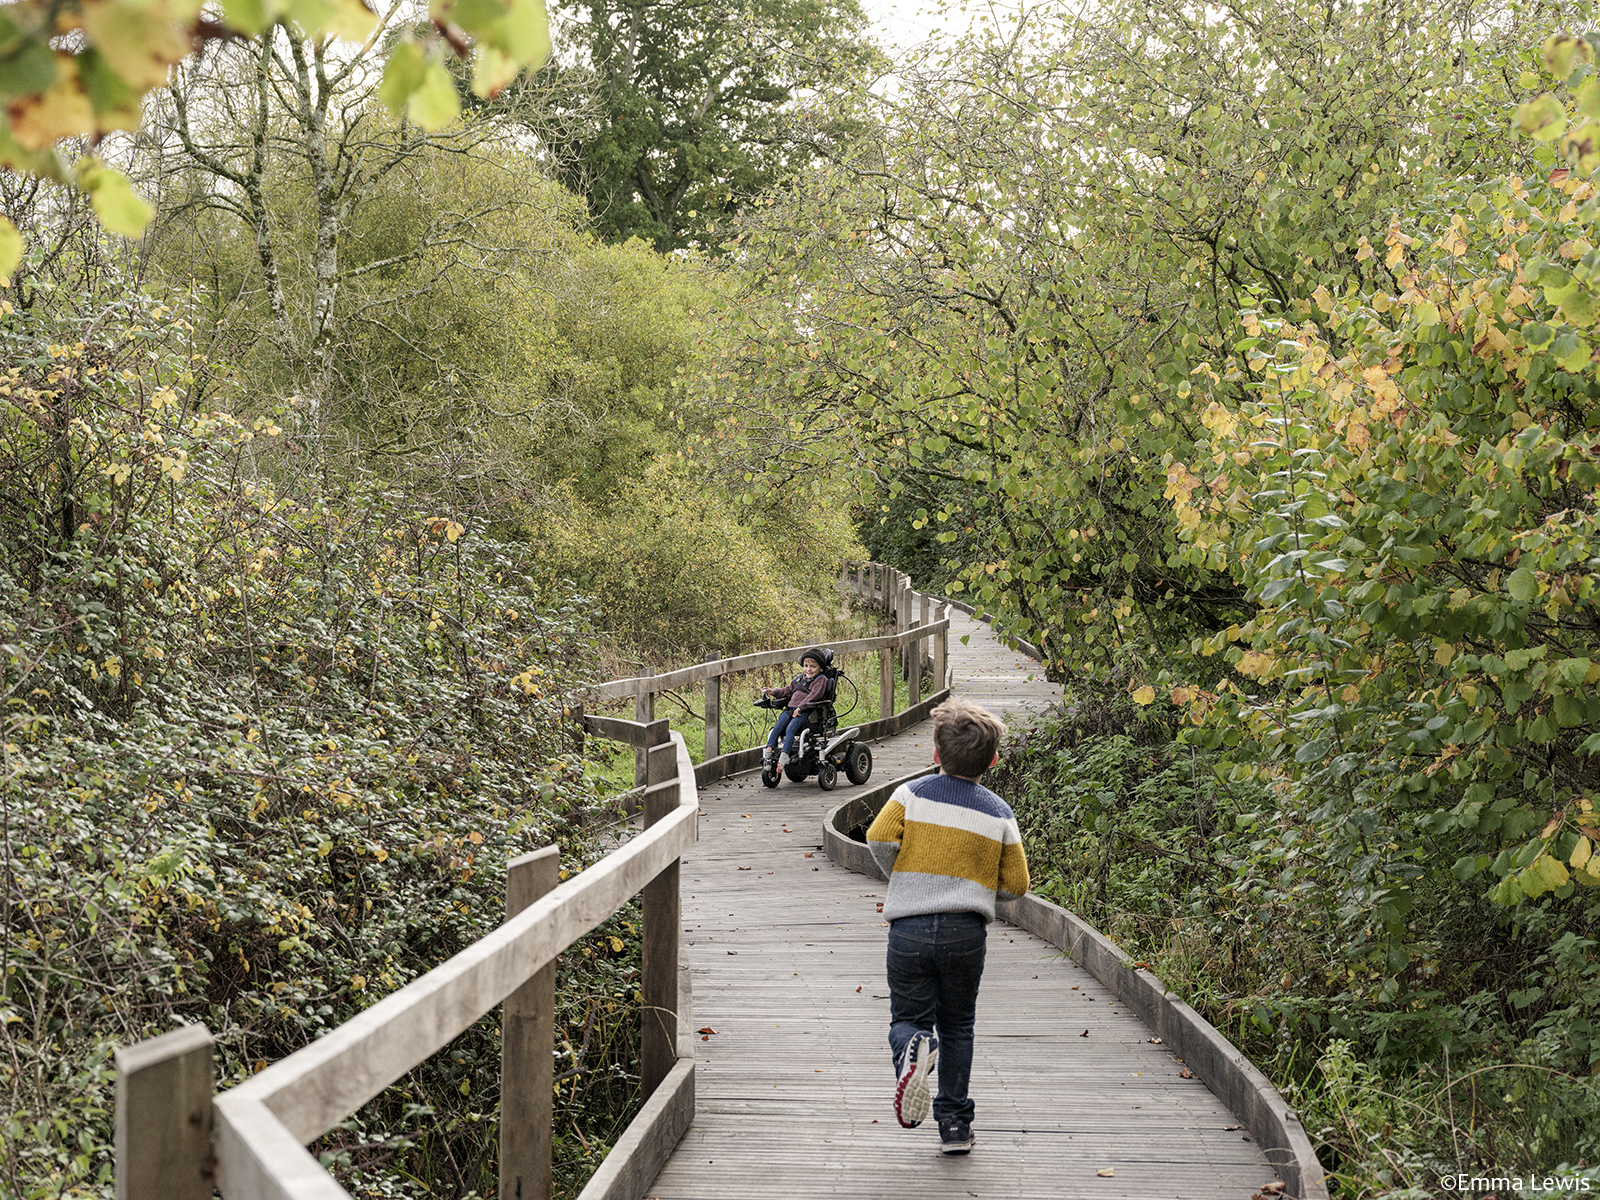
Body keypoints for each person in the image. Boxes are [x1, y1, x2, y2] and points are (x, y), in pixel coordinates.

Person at [864, 695, 1029, 1155]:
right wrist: (976, 891)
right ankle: (954, 1125)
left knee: (907, 1018)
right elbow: (1017, 883)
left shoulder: (910, 795)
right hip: (965, 933)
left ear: (935, 754)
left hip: (909, 929)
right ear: (992, 760)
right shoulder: (998, 812)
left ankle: (915, 1044)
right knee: (958, 1025)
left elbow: (877, 836)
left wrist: (905, 877)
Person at [761, 647, 831, 771]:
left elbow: (814, 696)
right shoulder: (800, 679)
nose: (808, 669)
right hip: (790, 709)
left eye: (813, 666)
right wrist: (773, 691)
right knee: (776, 728)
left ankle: (784, 755)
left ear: (821, 668)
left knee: (791, 728)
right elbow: (787, 690)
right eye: (806, 665)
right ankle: (768, 753)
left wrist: (800, 707)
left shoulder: (821, 680)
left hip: (805, 711)